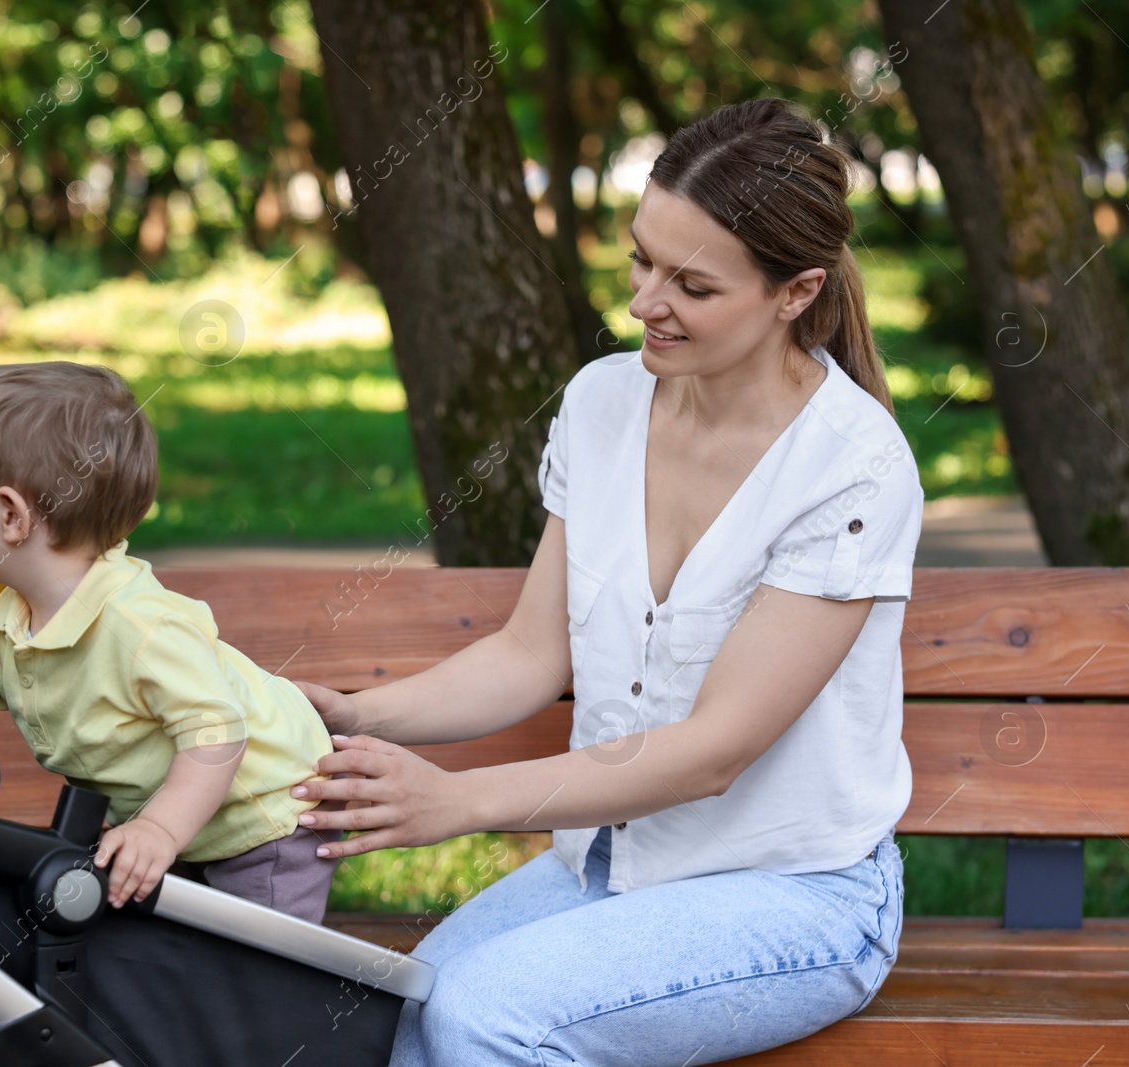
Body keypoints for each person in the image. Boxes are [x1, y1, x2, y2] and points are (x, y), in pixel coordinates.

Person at [288, 97, 924, 1063]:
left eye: (692, 286)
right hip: (611, 866)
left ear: (794, 292)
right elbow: (529, 653)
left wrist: (458, 802)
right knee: (408, 1016)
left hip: (799, 898)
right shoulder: (603, 402)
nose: (643, 303)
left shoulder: (853, 466)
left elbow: (714, 750)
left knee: (485, 1016)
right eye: (641, 259)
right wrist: (356, 714)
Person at [0, 361, 342, 924]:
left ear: (11, 515)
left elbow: (217, 734)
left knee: (258, 971)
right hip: (176, 820)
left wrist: (159, 829)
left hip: (265, 814)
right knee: (162, 951)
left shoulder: (137, 623)